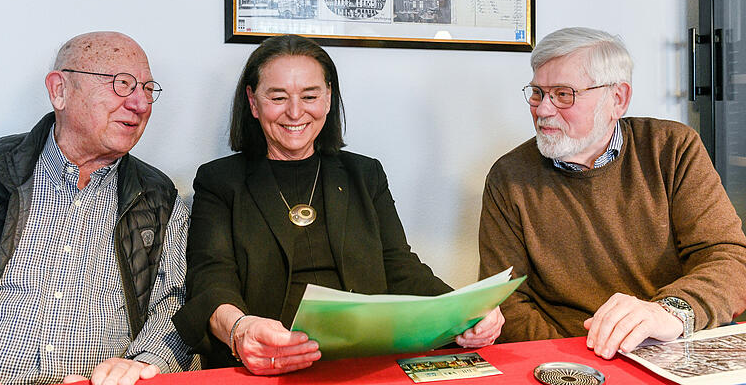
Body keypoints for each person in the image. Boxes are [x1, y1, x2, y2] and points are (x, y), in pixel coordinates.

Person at [172, 34, 504, 375]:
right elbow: (212, 279)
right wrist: (241, 330)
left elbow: (399, 266)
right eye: (278, 97)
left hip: (365, 363)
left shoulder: (365, 173)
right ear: (253, 103)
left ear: (328, 99)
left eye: (310, 96)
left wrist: (463, 312)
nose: (295, 111)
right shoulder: (219, 180)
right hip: (270, 364)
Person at [479, 27, 746, 360]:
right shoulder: (509, 177)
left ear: (617, 99)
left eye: (563, 94)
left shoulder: (673, 149)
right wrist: (578, 363)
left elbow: (729, 259)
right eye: (537, 92)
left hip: (672, 350)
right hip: (566, 362)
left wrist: (670, 312)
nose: (542, 110)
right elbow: (505, 300)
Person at [0, 32, 192, 385]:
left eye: (148, 89)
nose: (140, 104)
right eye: (122, 85)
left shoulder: (158, 196)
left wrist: (143, 364)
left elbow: (175, 303)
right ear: (59, 90)